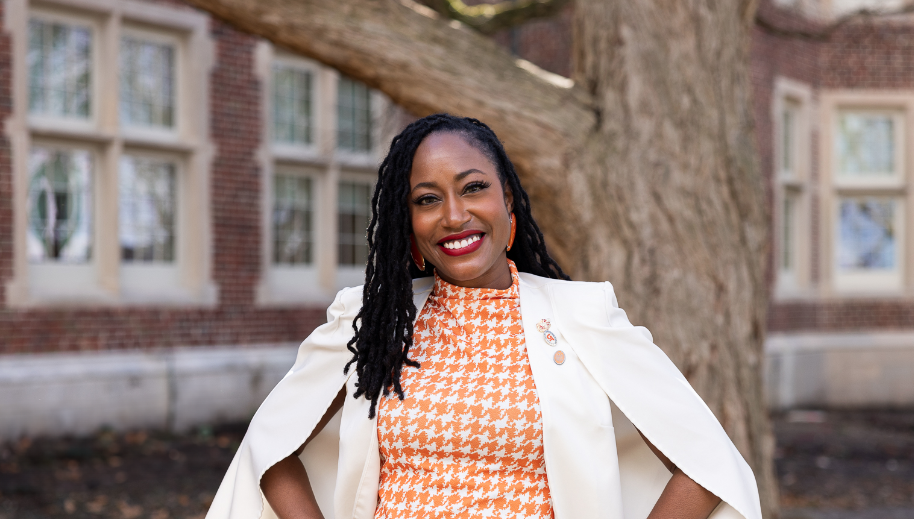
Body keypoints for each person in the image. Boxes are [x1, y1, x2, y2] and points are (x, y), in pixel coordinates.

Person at [206, 114, 762, 519]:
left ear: (509, 207)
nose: (454, 215)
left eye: (474, 188)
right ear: (411, 230)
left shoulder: (580, 317)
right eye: (427, 199)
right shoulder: (372, 322)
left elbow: (706, 462)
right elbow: (268, 448)